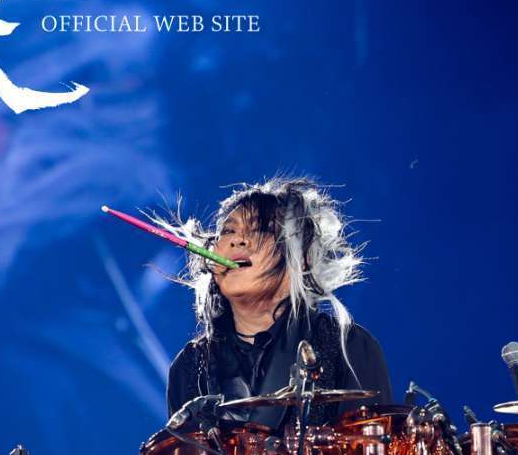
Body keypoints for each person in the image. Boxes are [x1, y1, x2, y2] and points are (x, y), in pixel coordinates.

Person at [166, 176, 393, 429]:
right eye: (228, 230)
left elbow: (371, 450)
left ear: (303, 258)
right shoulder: (189, 366)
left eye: (261, 229)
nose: (237, 239)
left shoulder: (347, 347)